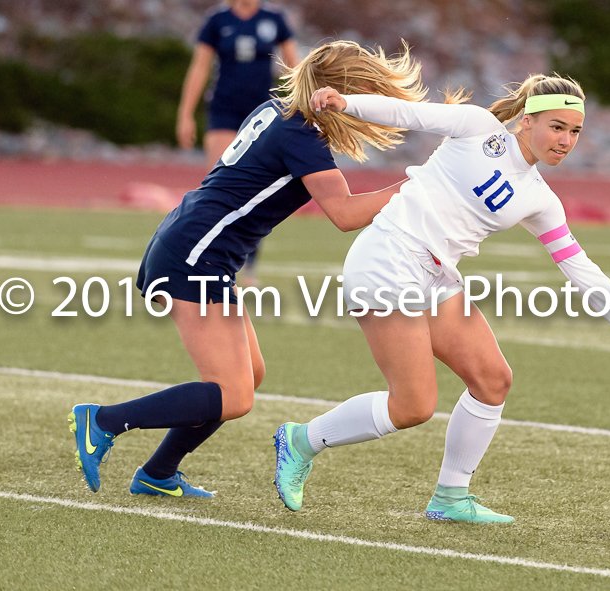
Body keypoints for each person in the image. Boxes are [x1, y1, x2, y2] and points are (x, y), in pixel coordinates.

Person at [272, 73, 610, 523]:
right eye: (556, 127)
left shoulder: (541, 199)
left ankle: (450, 498)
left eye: (575, 131)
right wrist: (347, 103)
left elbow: (581, 270)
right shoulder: (477, 127)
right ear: (526, 121)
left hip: (436, 276)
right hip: (388, 258)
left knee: (492, 379)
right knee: (412, 406)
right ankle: (301, 440)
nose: (566, 140)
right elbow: (409, 113)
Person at [67, 40, 425, 497]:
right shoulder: (301, 135)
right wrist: (418, 186)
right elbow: (345, 214)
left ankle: (158, 473)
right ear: (338, 92)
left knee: (247, 376)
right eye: (365, 95)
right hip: (195, 255)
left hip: (195, 245)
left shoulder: (279, 110)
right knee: (234, 394)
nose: (368, 109)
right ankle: (103, 420)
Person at [176, 0, 300, 283]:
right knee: (218, 184)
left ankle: (248, 263)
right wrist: (185, 114)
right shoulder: (217, 20)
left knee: (255, 186)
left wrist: (302, 104)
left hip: (262, 112)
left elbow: (294, 67)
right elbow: (199, 68)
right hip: (224, 111)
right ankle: (206, 257)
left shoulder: (274, 19)